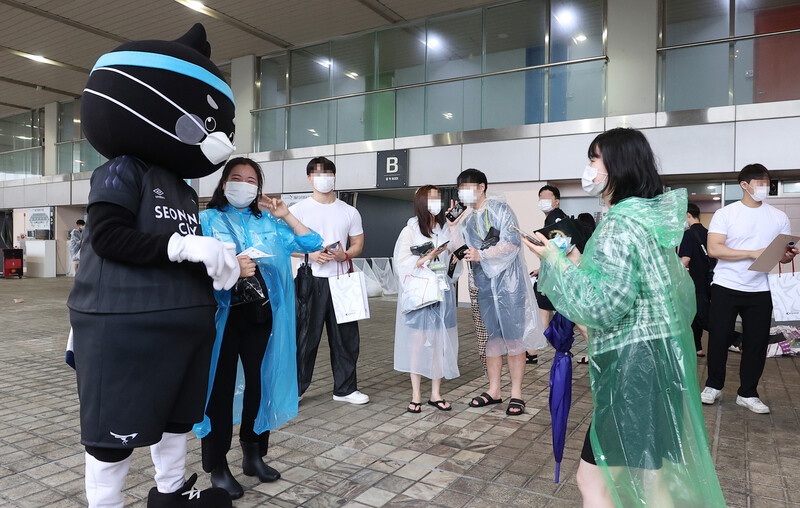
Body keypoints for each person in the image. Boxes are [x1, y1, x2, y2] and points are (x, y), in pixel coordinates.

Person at [67, 24, 238, 507]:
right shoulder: (123, 170)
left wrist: (214, 264)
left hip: (182, 329)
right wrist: (186, 248)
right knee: (115, 432)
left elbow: (173, 242)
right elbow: (108, 237)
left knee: (175, 419)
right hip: (126, 326)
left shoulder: (183, 187)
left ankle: (170, 493)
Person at [522, 128, 725, 507]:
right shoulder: (644, 221)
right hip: (658, 362)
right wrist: (572, 261)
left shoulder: (618, 223)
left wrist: (552, 262)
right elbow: (659, 292)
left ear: (617, 165)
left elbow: (604, 304)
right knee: (653, 479)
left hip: (633, 368)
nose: (589, 168)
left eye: (594, 159)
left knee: (593, 481)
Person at [194, 158, 322, 499]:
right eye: (237, 178)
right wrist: (229, 266)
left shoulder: (268, 220)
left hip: (261, 317)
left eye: (251, 180)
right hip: (222, 319)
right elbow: (191, 267)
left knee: (259, 385)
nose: (244, 184)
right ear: (223, 184)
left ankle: (253, 452)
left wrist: (287, 215)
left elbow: (312, 244)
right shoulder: (205, 220)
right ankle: (217, 464)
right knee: (218, 391)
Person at [701, 164, 798, 414]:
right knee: (719, 338)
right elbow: (714, 249)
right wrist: (750, 253)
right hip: (726, 285)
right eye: (760, 183)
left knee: (756, 343)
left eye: (767, 183)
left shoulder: (778, 217)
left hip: (761, 289)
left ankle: (748, 393)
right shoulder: (726, 214)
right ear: (744, 185)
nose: (765, 188)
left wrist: (788, 255)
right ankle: (713, 385)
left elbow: (781, 256)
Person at [449, 168, 546, 416]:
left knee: (514, 338)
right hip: (485, 287)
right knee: (492, 338)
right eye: (460, 188)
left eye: (467, 186)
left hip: (509, 286)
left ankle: (516, 394)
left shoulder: (501, 210)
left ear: (482, 187)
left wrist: (483, 254)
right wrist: (453, 227)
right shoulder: (468, 220)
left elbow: (511, 243)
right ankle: (494, 390)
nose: (463, 192)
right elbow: (461, 251)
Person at [291, 156, 369, 404]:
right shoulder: (298, 210)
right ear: (309, 178)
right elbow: (285, 244)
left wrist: (343, 254)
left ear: (335, 177)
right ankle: (295, 390)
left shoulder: (349, 211)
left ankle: (345, 389)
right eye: (317, 174)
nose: (323, 178)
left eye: (328, 173)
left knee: (346, 338)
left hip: (342, 280)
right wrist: (311, 254)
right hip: (309, 280)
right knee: (304, 338)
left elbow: (357, 244)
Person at [393, 185, 459, 413]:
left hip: (442, 293)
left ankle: (435, 393)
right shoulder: (410, 230)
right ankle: (416, 394)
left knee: (440, 345)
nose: (436, 202)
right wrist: (426, 258)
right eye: (431, 198)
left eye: (438, 198)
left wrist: (453, 227)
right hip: (421, 296)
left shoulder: (443, 227)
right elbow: (401, 263)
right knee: (418, 345)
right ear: (421, 201)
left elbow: (455, 257)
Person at [529, 185, 567, 364]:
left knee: (544, 310)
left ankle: (532, 350)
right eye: (540, 197)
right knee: (544, 310)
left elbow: (559, 249)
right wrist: (541, 268)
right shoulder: (554, 218)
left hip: (556, 277)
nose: (543, 201)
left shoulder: (556, 218)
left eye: (547, 197)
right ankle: (532, 350)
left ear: (556, 201)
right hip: (554, 275)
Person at [678, 203, 711, 357]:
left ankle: (736, 338)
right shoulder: (708, 232)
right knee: (696, 315)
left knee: (701, 317)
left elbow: (685, 260)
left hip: (694, 282)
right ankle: (697, 347)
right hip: (709, 280)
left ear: (688, 215)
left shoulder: (688, 234)